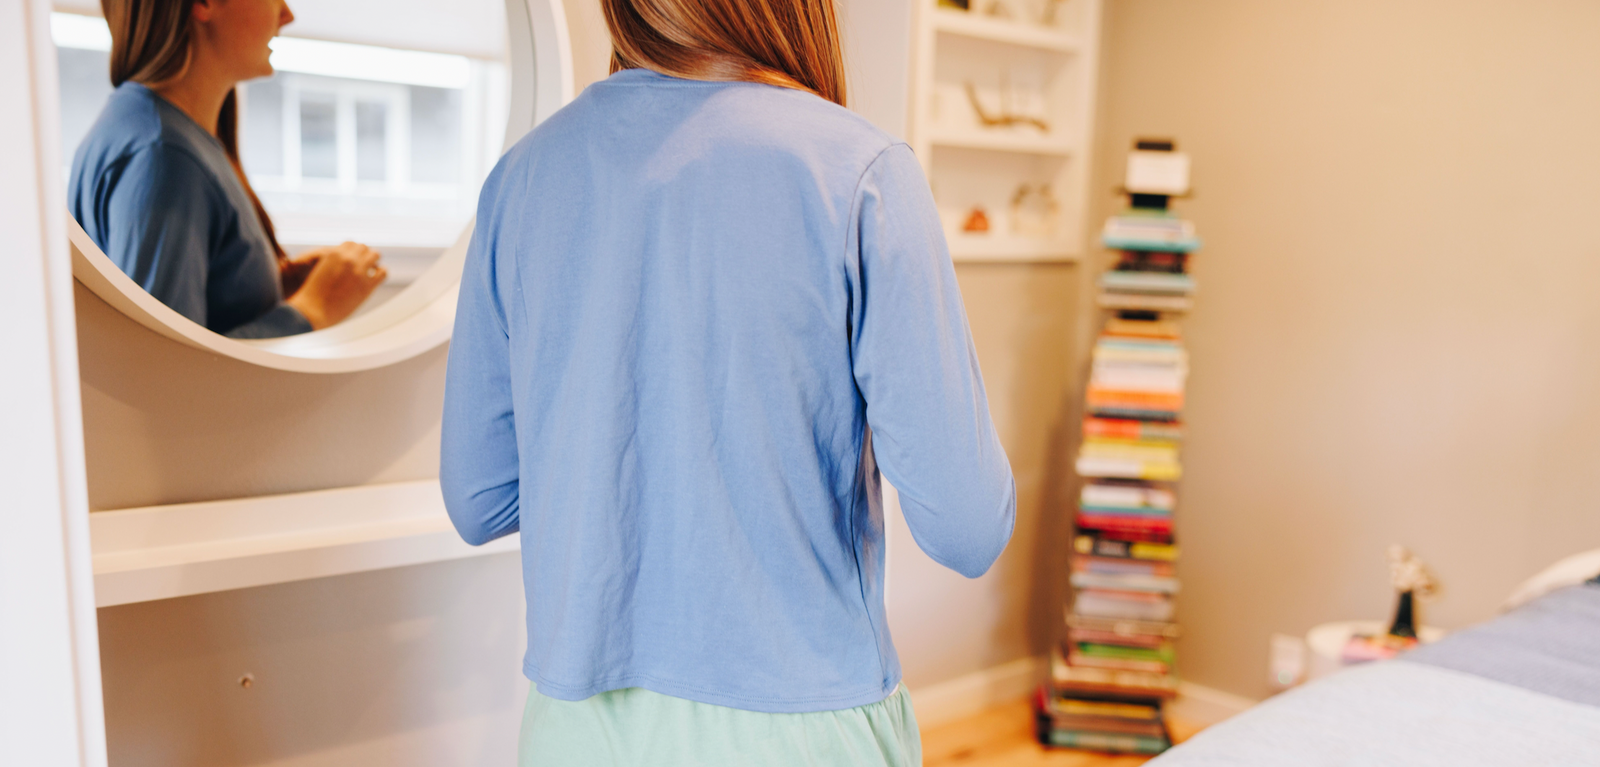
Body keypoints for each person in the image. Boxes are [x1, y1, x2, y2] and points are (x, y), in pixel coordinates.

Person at [440, 0, 1015, 762]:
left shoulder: (521, 178)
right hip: (798, 728)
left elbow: (480, 502)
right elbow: (969, 528)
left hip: (577, 729)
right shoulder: (860, 174)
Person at [70, 0, 386, 339]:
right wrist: (312, 310)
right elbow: (162, 365)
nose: (287, 15)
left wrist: (268, 285)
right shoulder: (165, 155)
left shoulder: (154, 131)